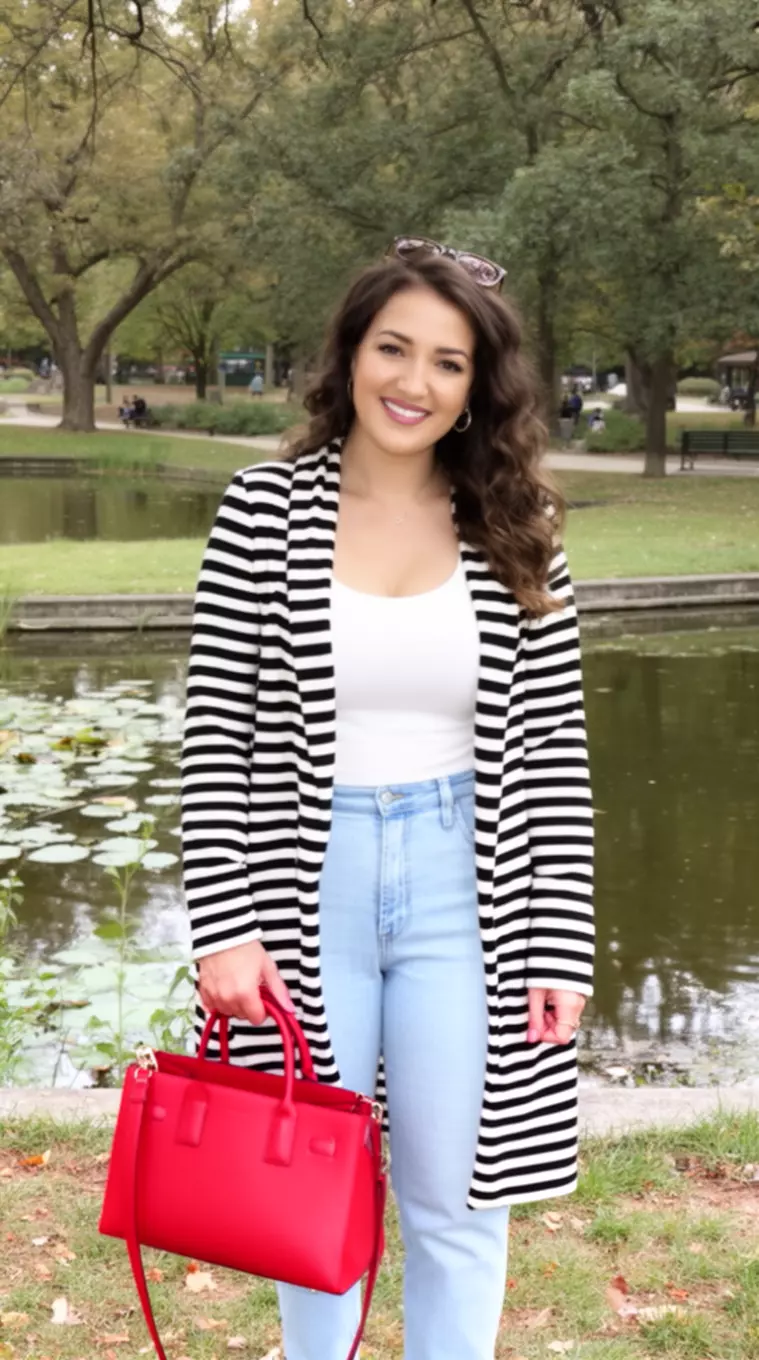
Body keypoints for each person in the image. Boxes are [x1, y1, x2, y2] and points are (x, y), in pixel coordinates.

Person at [181, 237, 595, 1360]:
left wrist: (561, 945)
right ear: (351, 354)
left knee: (460, 1196)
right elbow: (216, 738)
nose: (414, 383)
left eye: (448, 362)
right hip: (303, 879)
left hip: (473, 888)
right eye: (394, 348)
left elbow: (556, 759)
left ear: (479, 386)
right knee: (312, 1191)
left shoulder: (522, 531)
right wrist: (222, 928)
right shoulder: (264, 510)